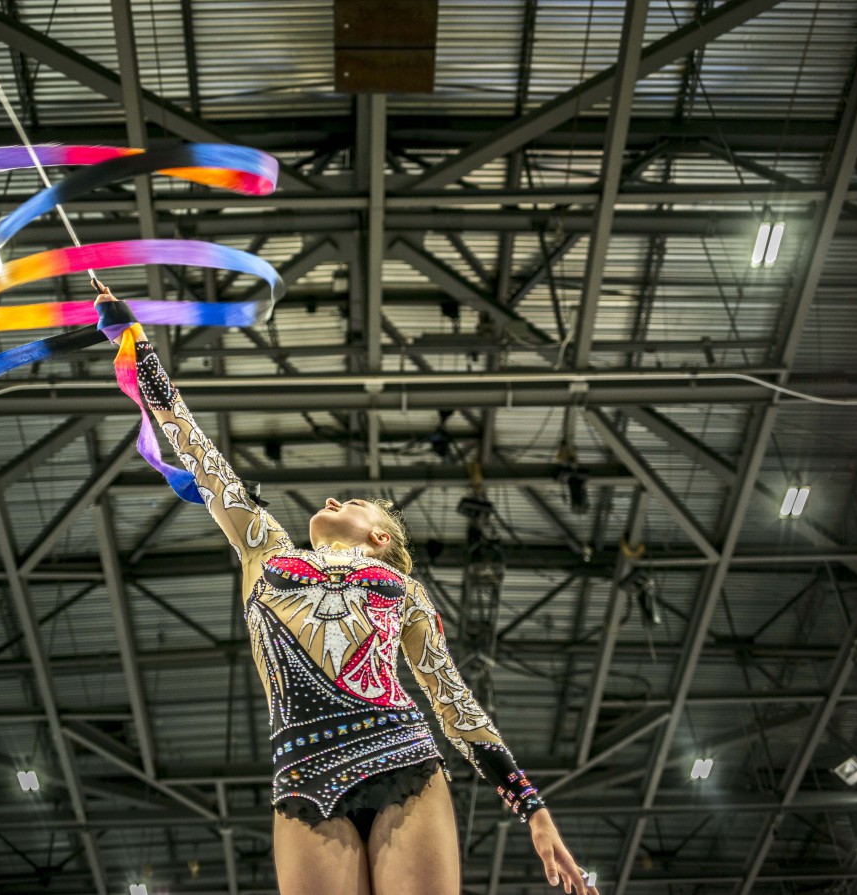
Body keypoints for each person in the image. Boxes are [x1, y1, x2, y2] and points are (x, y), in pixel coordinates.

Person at [96, 291, 598, 895]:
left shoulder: (404, 590)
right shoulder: (265, 547)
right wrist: (137, 349)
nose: (332, 500)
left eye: (352, 503)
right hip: (303, 773)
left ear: (380, 537)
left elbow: (453, 701)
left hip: (402, 759)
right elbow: (199, 454)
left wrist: (532, 807)